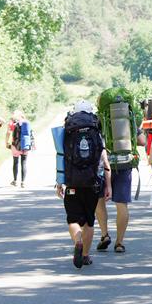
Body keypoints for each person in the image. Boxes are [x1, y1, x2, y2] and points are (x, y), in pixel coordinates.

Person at [56, 100, 111, 269]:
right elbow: (104, 160)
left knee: (73, 219)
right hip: (93, 182)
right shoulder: (96, 128)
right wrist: (108, 185)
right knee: (89, 221)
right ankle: (85, 255)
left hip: (73, 182)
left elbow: (60, 156)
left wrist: (59, 182)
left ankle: (77, 241)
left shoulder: (68, 129)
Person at [94, 127, 146, 253]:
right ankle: (119, 242)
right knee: (122, 205)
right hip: (123, 165)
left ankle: (105, 235)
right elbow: (142, 141)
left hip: (102, 167)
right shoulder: (126, 116)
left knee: (99, 202)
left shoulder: (98, 119)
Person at [5, 110, 35, 188]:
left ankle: (15, 181)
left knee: (15, 163)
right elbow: (31, 133)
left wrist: (6, 142)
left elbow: (8, 133)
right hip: (25, 146)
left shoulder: (12, 123)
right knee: (24, 163)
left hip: (15, 146)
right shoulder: (27, 123)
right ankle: (23, 182)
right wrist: (33, 144)